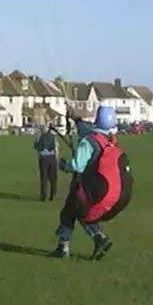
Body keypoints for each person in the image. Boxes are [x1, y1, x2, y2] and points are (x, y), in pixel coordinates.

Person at [50, 106, 123, 260]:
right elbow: (85, 129)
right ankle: (92, 239)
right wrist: (76, 119)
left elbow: (77, 165)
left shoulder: (90, 141)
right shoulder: (108, 140)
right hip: (100, 187)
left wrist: (62, 164)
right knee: (76, 212)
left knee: (72, 213)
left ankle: (69, 246)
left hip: (84, 185)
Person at [32, 124, 59, 201]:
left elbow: (36, 147)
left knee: (44, 177)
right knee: (53, 178)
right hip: (52, 157)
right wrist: (56, 158)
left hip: (43, 158)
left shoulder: (38, 136)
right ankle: (52, 195)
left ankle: (44, 196)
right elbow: (56, 148)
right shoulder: (52, 136)